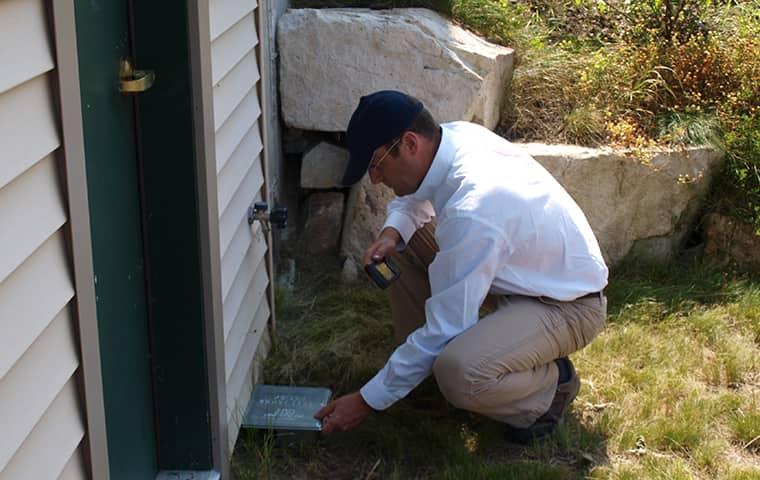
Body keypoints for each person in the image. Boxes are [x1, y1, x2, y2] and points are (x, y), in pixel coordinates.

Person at [315, 90, 608, 442]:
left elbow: (447, 326)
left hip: (568, 306)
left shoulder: (475, 208)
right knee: (400, 248)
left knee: (460, 373)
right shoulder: (453, 138)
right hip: (524, 276)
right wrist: (392, 233)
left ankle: (549, 389)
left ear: (409, 143)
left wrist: (365, 401)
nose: (374, 180)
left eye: (375, 165)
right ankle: (422, 384)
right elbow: (415, 198)